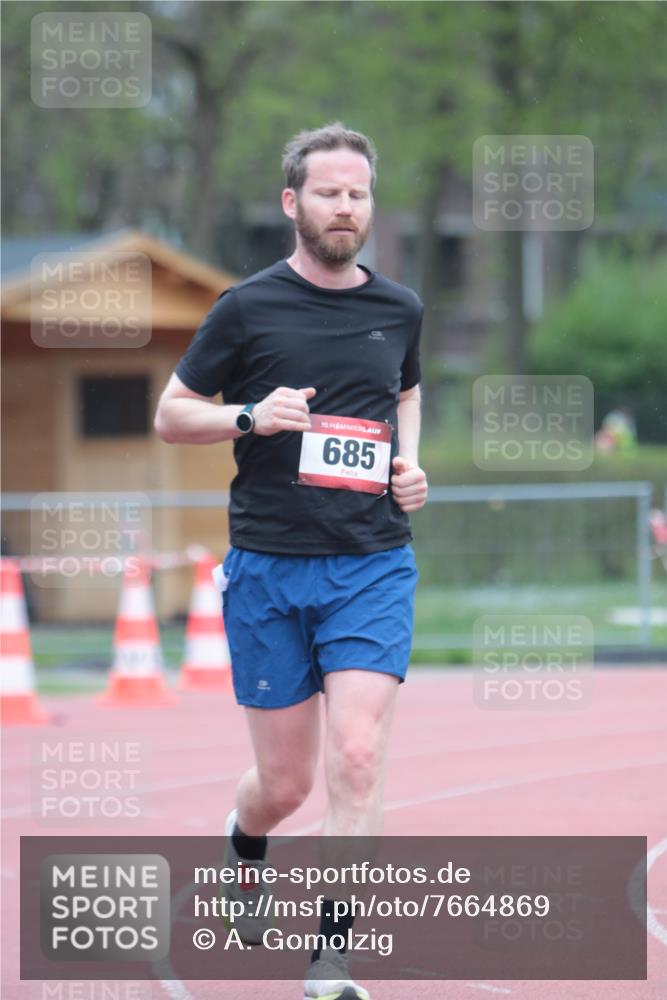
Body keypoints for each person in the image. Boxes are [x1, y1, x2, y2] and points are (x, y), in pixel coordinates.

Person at [155, 121, 428, 1000]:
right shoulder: (246, 308)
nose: (345, 207)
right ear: (291, 202)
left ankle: (331, 961)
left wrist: (407, 463)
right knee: (283, 784)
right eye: (327, 193)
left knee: (357, 756)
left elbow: (406, 391)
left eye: (357, 194)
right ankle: (244, 842)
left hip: (371, 564)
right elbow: (170, 413)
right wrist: (248, 416)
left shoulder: (400, 308)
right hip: (270, 568)